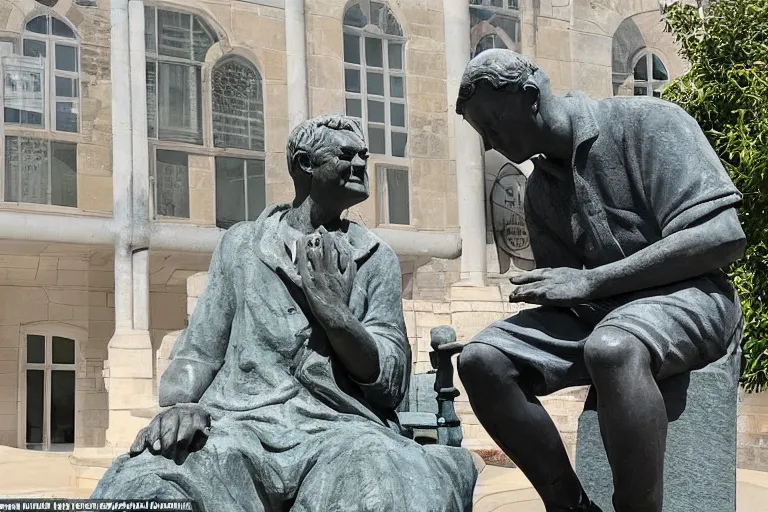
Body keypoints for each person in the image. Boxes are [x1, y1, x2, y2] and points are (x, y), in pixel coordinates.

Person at [92, 115, 477, 512]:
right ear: (305, 164)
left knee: (381, 485)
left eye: (364, 155)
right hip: (239, 425)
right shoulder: (242, 245)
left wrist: (336, 314)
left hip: (342, 428)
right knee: (144, 482)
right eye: (346, 155)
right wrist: (179, 407)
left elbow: (390, 382)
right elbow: (200, 352)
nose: (362, 164)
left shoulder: (376, 258)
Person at [454, 49, 745, 512]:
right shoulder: (539, 193)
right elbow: (568, 292)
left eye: (491, 125)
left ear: (530, 97)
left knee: (611, 348)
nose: (490, 143)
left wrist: (590, 284)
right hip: (604, 313)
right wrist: (548, 303)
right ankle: (570, 505)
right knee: (481, 361)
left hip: (694, 296)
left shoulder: (650, 123)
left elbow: (724, 236)